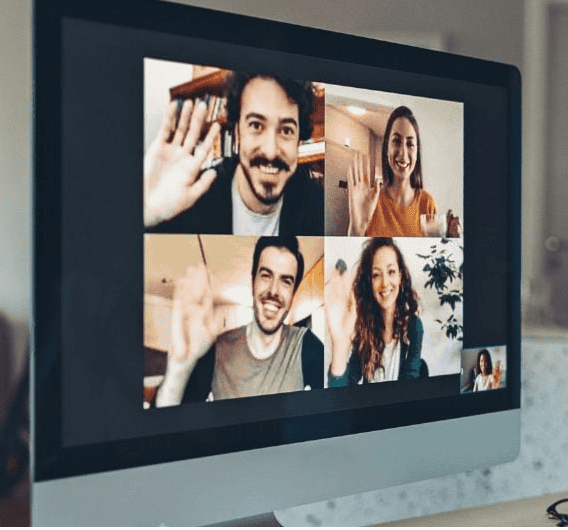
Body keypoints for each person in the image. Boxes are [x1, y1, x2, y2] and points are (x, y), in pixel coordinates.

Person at [144, 72, 323, 236]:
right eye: (256, 125)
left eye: (286, 130)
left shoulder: (317, 206)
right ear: (237, 133)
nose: (270, 151)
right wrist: (147, 214)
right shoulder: (191, 200)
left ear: (299, 140)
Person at [154, 236, 323, 406]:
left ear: (293, 293)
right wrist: (179, 367)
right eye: (266, 276)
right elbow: (165, 423)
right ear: (253, 281)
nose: (273, 291)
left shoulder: (307, 345)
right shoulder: (217, 350)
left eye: (286, 282)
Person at [325, 237, 424, 384]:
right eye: (376, 275)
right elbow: (343, 389)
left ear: (400, 276)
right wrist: (338, 347)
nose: (385, 283)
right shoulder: (363, 328)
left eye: (391, 271)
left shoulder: (414, 326)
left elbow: (410, 385)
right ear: (369, 282)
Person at [346, 106, 440, 237]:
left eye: (410, 144)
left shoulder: (427, 202)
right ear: (386, 148)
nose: (403, 153)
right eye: (396, 141)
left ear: (417, 151)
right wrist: (357, 228)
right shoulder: (371, 201)